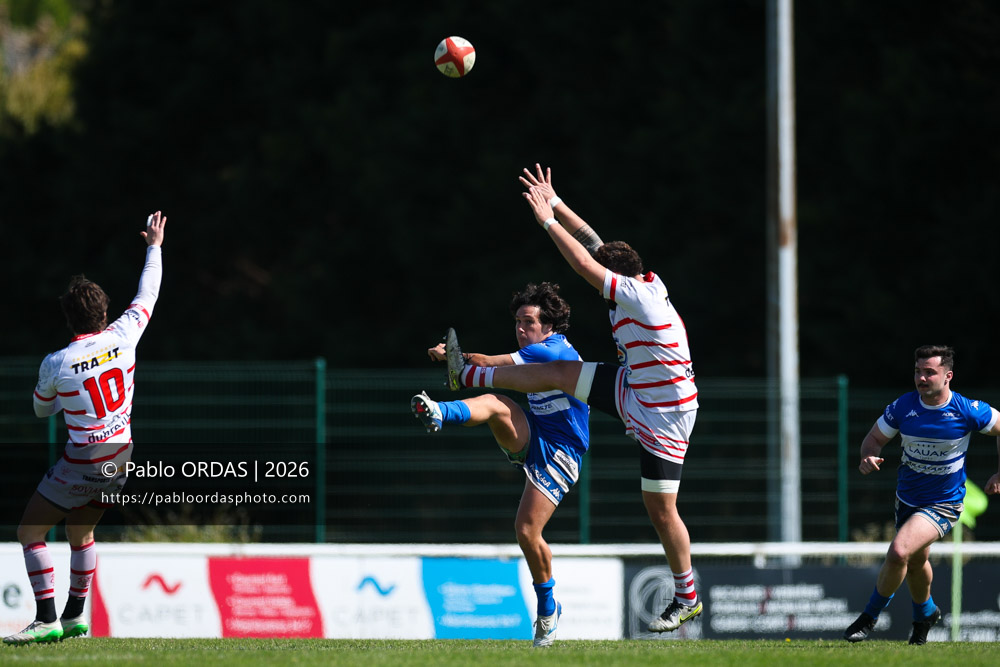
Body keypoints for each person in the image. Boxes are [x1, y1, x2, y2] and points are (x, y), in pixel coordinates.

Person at [445, 164, 702, 633]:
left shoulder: (639, 299)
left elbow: (585, 264)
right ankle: (470, 375)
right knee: (560, 372)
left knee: (660, 508)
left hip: (667, 411)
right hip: (633, 387)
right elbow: (594, 246)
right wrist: (557, 201)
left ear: (617, 279)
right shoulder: (641, 281)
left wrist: (546, 222)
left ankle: (687, 597)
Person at [4, 211, 167, 646]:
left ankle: (46, 618)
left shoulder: (56, 363)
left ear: (68, 319)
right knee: (82, 532)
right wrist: (154, 245)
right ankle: (76, 616)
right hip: (121, 456)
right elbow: (148, 290)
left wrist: (63, 395)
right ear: (104, 311)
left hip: (84, 459)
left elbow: (42, 410)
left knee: (29, 531)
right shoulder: (125, 333)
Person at [410, 282, 590, 648]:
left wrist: (455, 360)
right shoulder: (532, 351)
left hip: (562, 451)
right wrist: (457, 360)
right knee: (493, 402)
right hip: (533, 433)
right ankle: (438, 413)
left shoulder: (553, 350)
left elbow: (492, 363)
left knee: (526, 531)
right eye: (518, 322)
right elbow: (492, 365)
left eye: (529, 322)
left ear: (549, 326)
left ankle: (547, 610)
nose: (521, 329)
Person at [843, 345, 1000, 645]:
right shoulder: (903, 407)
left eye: (930, 372)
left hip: (944, 503)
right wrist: (868, 456)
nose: (922, 377)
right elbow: (874, 439)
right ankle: (925, 613)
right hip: (907, 500)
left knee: (900, 551)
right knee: (915, 561)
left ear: (948, 376)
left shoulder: (967, 410)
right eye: (918, 371)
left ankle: (869, 616)